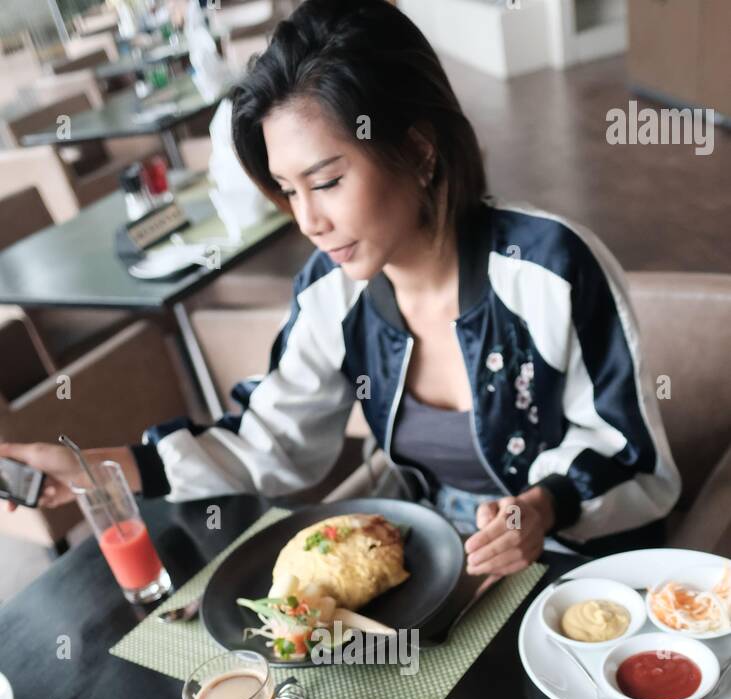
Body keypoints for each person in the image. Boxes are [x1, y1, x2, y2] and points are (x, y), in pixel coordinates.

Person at [1, 0, 680, 588]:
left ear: (417, 151)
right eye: (288, 191)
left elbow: (634, 460)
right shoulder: (331, 291)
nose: (307, 221)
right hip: (431, 564)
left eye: (326, 182)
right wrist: (97, 470)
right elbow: (270, 442)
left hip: (569, 569)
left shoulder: (550, 269)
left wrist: (543, 506)